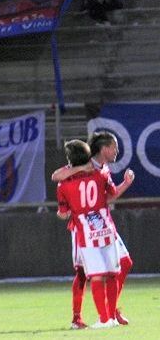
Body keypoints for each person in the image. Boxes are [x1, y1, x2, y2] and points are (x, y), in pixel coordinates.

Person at [51, 132, 135, 328]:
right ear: (104, 149)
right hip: (83, 226)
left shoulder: (102, 169)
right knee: (83, 273)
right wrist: (82, 168)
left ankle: (109, 312)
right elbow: (56, 175)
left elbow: (108, 197)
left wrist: (125, 183)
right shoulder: (88, 164)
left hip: (100, 222)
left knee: (124, 263)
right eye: (114, 146)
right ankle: (78, 317)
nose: (117, 151)